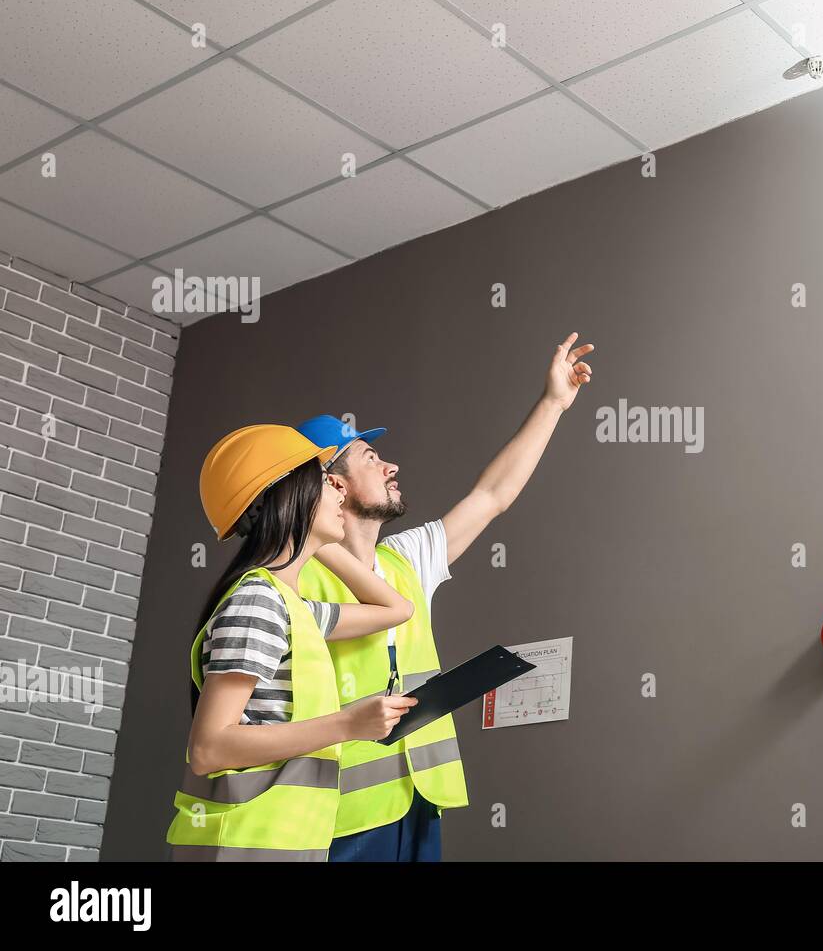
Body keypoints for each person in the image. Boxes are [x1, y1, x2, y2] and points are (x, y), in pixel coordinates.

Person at [297, 332, 595, 862]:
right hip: (341, 816)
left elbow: (492, 496)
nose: (390, 467)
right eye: (371, 458)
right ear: (332, 484)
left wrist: (553, 403)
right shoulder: (294, 579)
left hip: (419, 800)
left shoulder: (405, 560)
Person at [165, 424, 421, 861]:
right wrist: (348, 724)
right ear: (289, 496)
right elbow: (208, 748)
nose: (339, 486)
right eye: (325, 478)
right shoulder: (257, 603)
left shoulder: (292, 608)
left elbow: (396, 609)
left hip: (287, 844)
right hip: (245, 846)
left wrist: (310, 538)